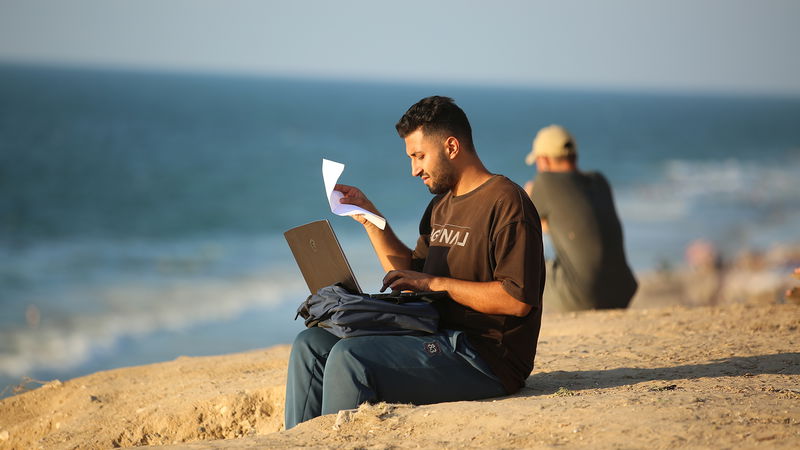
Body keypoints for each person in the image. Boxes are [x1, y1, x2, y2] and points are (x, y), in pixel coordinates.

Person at [284, 96, 545, 429]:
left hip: (485, 356)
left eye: (419, 156)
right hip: (429, 332)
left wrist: (437, 285)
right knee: (312, 344)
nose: (414, 169)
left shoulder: (507, 203)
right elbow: (411, 272)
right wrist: (370, 219)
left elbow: (517, 299)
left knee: (350, 359)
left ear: (451, 146)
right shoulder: (442, 205)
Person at [523, 125, 637, 313]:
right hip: (622, 291)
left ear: (543, 161)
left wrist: (527, 198)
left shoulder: (545, 182)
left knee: (521, 269)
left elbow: (518, 225)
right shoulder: (600, 181)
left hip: (583, 296)